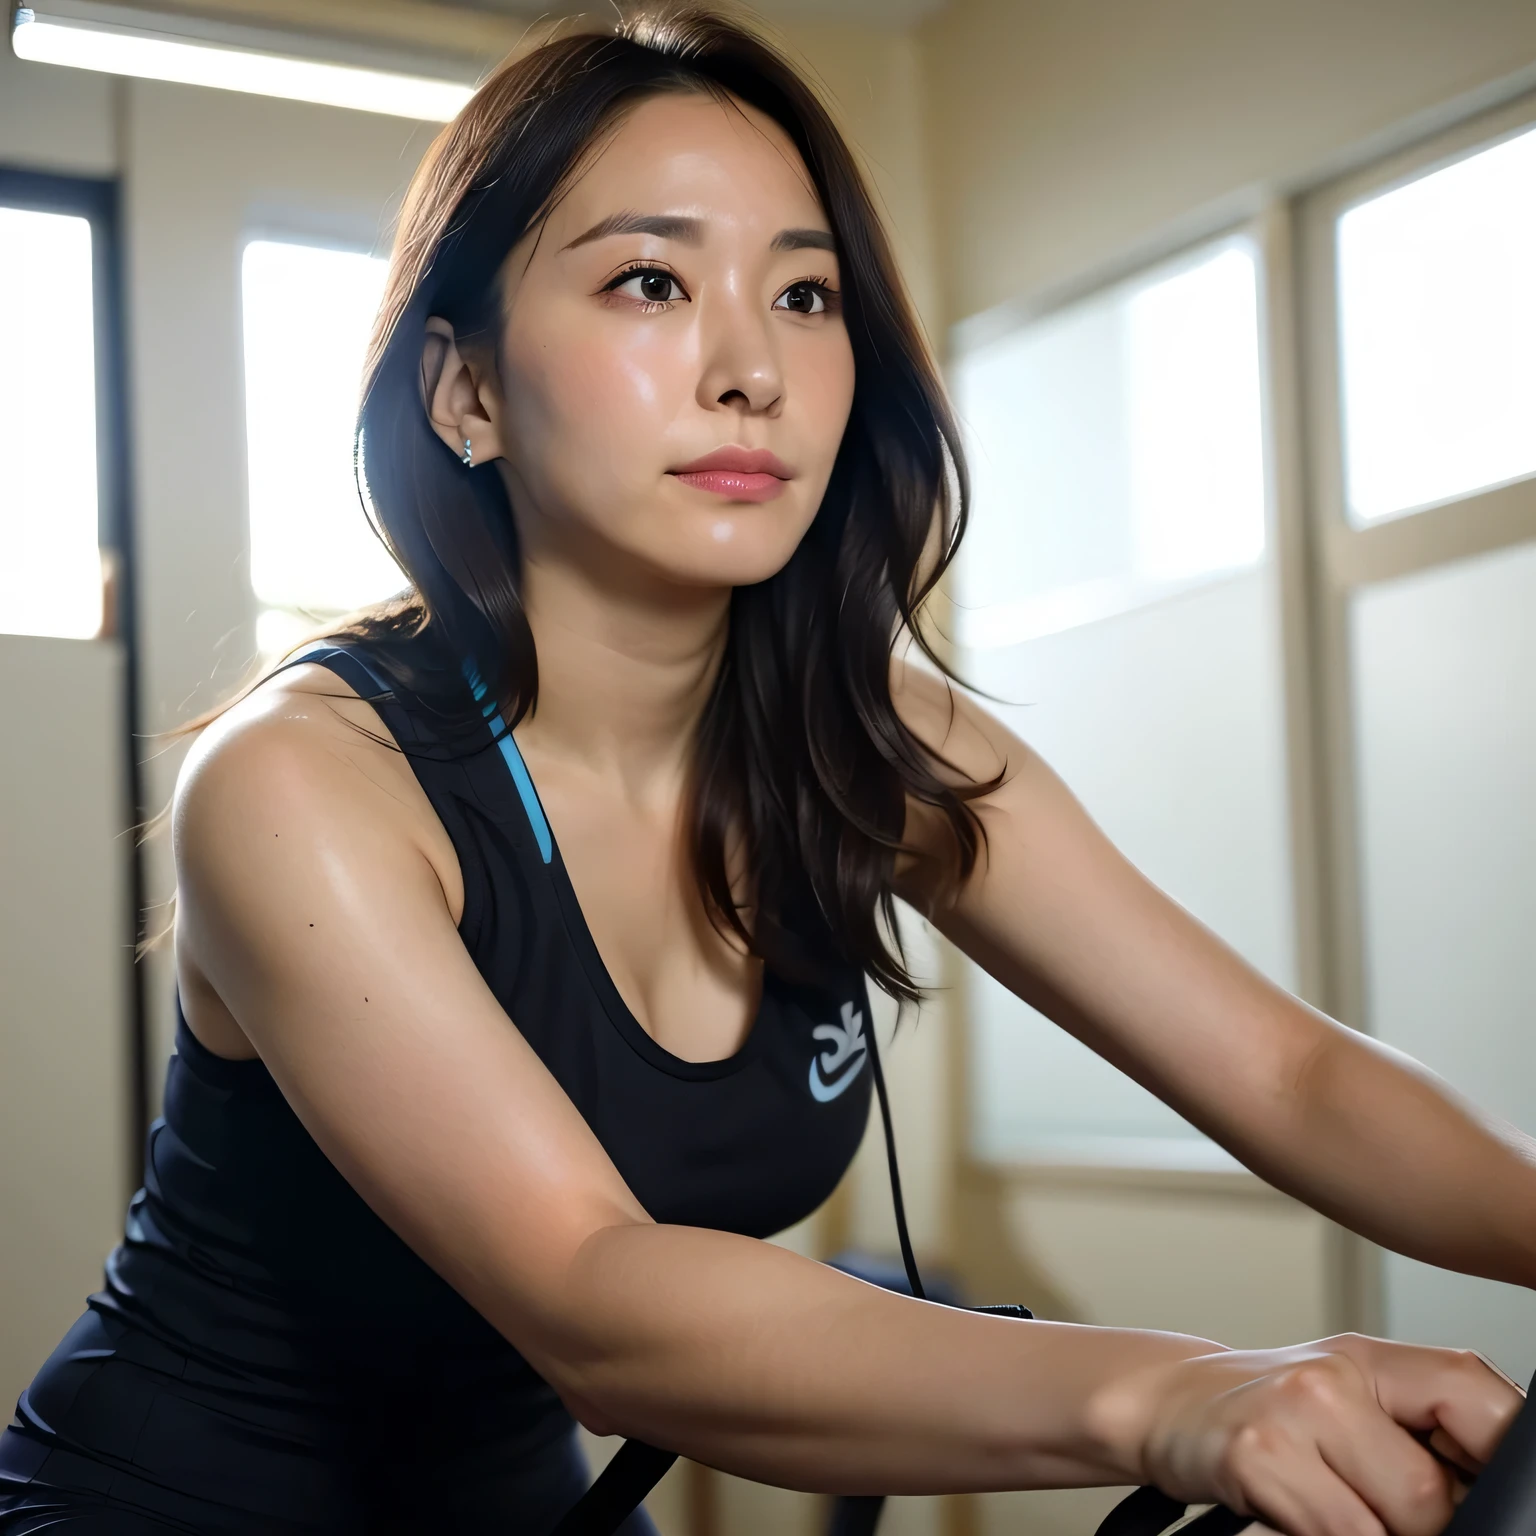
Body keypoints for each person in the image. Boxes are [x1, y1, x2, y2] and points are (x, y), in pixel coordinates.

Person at [1, 7, 1528, 1534]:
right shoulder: (310, 785)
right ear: (463, 392)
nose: (753, 369)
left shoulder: (882, 746)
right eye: (650, 280)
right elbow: (595, 1295)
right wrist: (1182, 1393)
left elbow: (1288, 1074)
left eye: (806, 293)